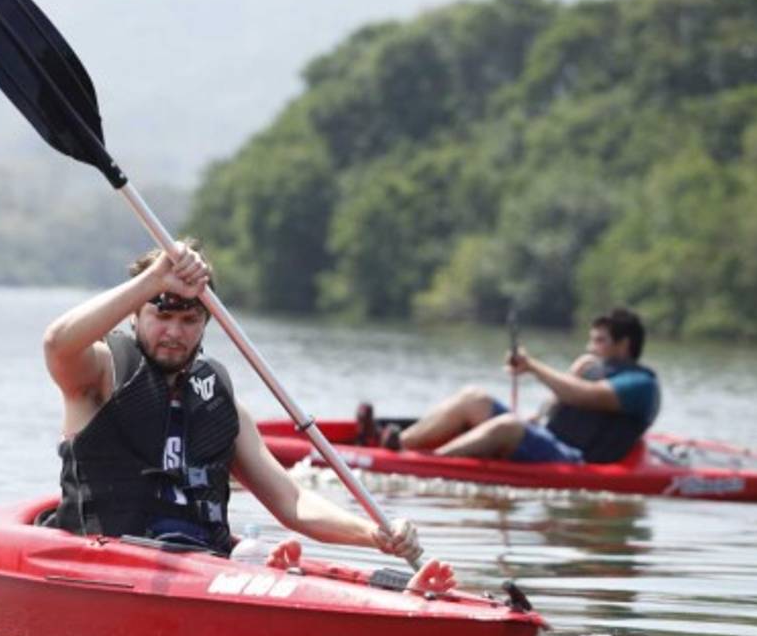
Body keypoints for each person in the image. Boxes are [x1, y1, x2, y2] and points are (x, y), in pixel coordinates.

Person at [42, 240, 454, 593]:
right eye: (162, 316)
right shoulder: (99, 375)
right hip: (111, 568)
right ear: (135, 314)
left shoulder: (219, 405)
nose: (174, 332)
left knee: (260, 554)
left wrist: (373, 534)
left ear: (206, 323)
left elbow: (293, 501)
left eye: (189, 320)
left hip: (204, 567)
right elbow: (57, 343)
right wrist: (154, 280)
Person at [393, 308, 661, 464]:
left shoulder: (639, 384)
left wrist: (532, 366)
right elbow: (550, 411)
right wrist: (571, 376)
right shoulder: (595, 371)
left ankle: (427, 464)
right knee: (475, 397)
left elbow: (587, 397)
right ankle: (398, 445)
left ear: (624, 344)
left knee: (509, 425)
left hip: (576, 459)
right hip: (549, 440)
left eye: (599, 341)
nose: (590, 348)